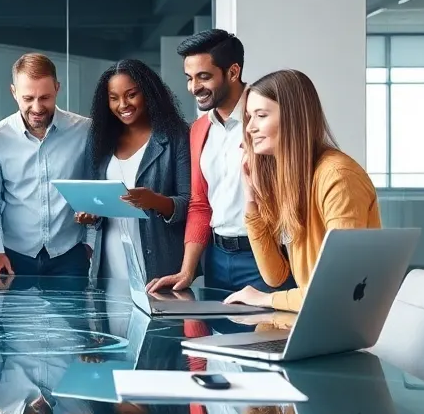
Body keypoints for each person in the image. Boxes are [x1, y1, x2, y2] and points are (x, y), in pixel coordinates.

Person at [222, 69, 381, 312]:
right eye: (248, 117)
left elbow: (341, 288)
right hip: (313, 317)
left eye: (261, 115)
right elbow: (274, 276)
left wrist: (265, 299)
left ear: (293, 118)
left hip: (344, 322)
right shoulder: (288, 178)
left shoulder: (338, 176)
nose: (249, 128)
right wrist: (250, 197)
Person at [148, 30, 293, 295]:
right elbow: (200, 204)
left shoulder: (268, 120)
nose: (194, 88)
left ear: (233, 72)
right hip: (216, 259)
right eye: (189, 78)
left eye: (204, 77)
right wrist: (187, 270)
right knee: (220, 334)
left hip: (266, 256)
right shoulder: (199, 129)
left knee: (268, 335)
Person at [0, 53, 93, 279]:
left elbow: (95, 190)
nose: (37, 107)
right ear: (14, 92)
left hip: (70, 255)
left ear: (57, 88)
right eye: (28, 98)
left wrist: (90, 246)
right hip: (14, 257)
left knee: (74, 315)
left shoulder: (85, 131)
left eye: (45, 97)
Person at [80, 58, 190, 282]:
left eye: (131, 95)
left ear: (148, 93)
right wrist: (90, 214)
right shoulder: (99, 140)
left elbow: (190, 203)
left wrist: (155, 201)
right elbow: (96, 199)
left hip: (159, 261)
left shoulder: (175, 136)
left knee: (161, 317)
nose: (123, 105)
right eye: (114, 98)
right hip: (110, 259)